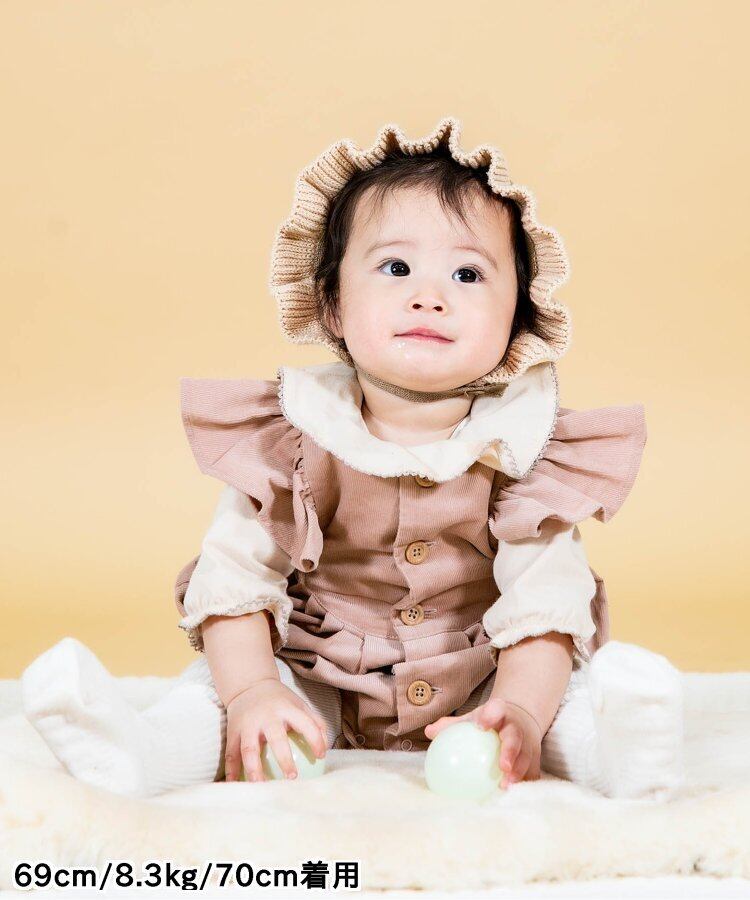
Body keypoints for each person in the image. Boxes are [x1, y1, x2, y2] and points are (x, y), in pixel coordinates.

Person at [21, 116, 684, 801]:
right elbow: (232, 579)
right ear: (332, 305)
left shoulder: (524, 449)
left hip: (483, 674)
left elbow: (544, 603)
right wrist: (252, 691)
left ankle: (618, 753)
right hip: (317, 674)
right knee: (222, 704)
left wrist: (516, 709)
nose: (429, 296)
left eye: (467, 274)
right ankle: (145, 753)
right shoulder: (290, 435)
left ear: (518, 319)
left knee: (550, 708)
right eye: (396, 268)